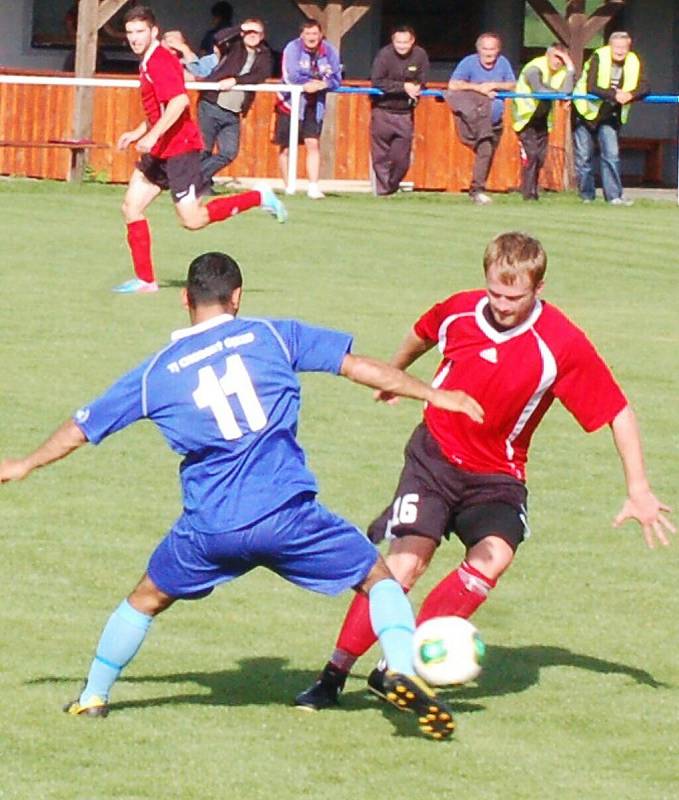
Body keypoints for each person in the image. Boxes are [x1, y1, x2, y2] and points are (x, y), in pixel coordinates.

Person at [0, 251, 486, 739]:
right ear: (237, 298)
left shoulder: (156, 373)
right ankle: (400, 665)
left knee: (144, 599)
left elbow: (83, 428)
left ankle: (92, 698)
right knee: (379, 579)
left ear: (185, 299)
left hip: (212, 529)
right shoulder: (273, 335)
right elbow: (357, 367)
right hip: (288, 516)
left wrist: (24, 463)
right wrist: (436, 395)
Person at [294, 231, 675, 711]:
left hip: (497, 477)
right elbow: (424, 330)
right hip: (433, 459)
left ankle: (398, 668)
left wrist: (638, 488)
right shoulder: (460, 310)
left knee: (494, 556)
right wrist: (395, 374)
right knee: (404, 566)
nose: (501, 304)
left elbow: (618, 411)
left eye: (514, 296)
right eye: (494, 291)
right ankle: (333, 675)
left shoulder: (560, 344)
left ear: (539, 287)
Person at [114, 6, 286, 295]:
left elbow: (179, 102)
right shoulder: (147, 61)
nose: (134, 38)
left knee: (192, 220)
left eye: (140, 31)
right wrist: (138, 132)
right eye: (130, 33)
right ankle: (146, 281)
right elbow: (161, 107)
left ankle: (259, 196)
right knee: (131, 207)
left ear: (154, 31)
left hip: (180, 149)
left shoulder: (160, 61)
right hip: (161, 149)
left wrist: (153, 134)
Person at [164, 20, 273, 192]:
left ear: (262, 36)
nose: (252, 35)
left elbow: (260, 74)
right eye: (249, 31)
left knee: (228, 153)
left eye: (257, 32)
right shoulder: (233, 47)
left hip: (234, 111)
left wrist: (235, 80)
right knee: (204, 150)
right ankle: (197, 185)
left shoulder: (264, 54)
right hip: (211, 104)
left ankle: (191, 181)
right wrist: (240, 29)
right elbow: (219, 37)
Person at [572, 31, 648, 205]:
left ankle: (614, 197)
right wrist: (615, 95)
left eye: (624, 48)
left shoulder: (634, 61)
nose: (620, 51)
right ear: (610, 46)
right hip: (585, 113)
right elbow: (591, 86)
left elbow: (645, 86)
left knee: (611, 155)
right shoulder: (598, 57)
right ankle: (586, 196)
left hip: (611, 116)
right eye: (617, 47)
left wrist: (630, 94)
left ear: (629, 48)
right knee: (584, 158)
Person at [274, 19, 342, 200]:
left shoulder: (329, 51)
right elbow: (290, 75)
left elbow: (337, 78)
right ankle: (289, 186)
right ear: (301, 35)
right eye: (308, 34)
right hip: (290, 103)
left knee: (313, 143)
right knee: (286, 147)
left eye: (315, 34)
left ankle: (313, 186)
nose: (311, 37)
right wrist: (307, 84)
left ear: (320, 35)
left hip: (315, 103)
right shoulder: (292, 48)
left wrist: (323, 84)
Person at [447, 33, 515, 204]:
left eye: (492, 49)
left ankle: (478, 189)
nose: (489, 53)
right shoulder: (468, 62)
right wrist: (479, 89)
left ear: (498, 50)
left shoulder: (503, 63)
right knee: (485, 149)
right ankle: (477, 190)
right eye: (485, 49)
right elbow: (453, 85)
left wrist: (494, 85)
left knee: (488, 153)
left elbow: (513, 84)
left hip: (496, 119)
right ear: (478, 50)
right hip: (476, 119)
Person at [369, 26, 429, 197]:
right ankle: (383, 192)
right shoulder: (384, 55)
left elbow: (423, 80)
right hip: (382, 110)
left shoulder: (420, 55)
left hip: (405, 113)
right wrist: (403, 87)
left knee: (401, 159)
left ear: (412, 41)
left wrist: (417, 87)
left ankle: (392, 186)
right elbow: (377, 81)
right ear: (393, 41)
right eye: (398, 42)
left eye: (405, 42)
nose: (401, 46)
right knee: (380, 156)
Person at [511, 44, 575, 200]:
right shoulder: (534, 67)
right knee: (531, 155)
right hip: (525, 118)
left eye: (562, 59)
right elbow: (539, 90)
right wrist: (560, 95)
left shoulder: (562, 72)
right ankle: (528, 194)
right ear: (548, 55)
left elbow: (566, 91)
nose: (558, 62)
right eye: (556, 57)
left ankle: (532, 191)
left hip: (543, 118)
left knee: (540, 157)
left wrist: (571, 68)